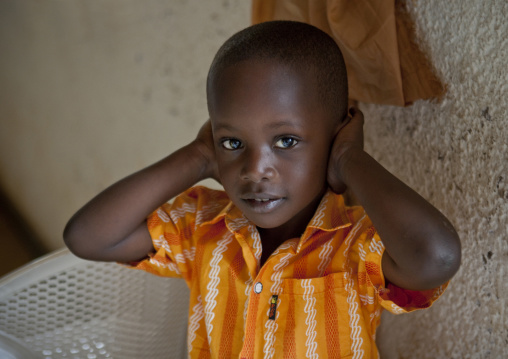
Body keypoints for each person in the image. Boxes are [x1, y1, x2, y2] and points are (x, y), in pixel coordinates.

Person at [64, 21, 461, 358]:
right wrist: (199, 156)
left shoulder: (355, 245)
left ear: (337, 135)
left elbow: (435, 257)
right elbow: (88, 237)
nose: (255, 170)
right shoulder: (202, 226)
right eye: (233, 143)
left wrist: (349, 161)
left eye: (286, 141)